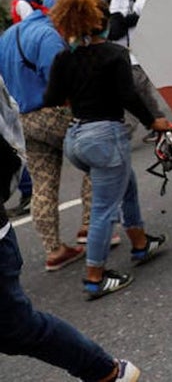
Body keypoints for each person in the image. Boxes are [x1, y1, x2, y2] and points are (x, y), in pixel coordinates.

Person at [43, 0, 170, 300]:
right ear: (100, 20)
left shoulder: (64, 57)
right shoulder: (114, 53)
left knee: (125, 184)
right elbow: (128, 96)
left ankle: (140, 244)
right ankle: (94, 277)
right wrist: (154, 121)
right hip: (105, 135)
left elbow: (53, 98)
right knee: (103, 209)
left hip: (77, 137)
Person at [0, 107, 142, 380]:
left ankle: (106, 371)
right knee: (97, 171)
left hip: (32, 121)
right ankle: (87, 237)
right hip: (63, 117)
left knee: (16, 328)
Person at [0, 0, 98, 273]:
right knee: (97, 160)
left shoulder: (8, 36)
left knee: (43, 183)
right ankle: (90, 227)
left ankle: (53, 250)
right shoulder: (48, 36)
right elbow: (61, 79)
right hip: (52, 112)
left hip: (23, 120)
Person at [101, 0, 172, 142]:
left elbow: (156, 21)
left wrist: (137, 21)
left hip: (135, 56)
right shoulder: (111, 1)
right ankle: (159, 124)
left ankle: (125, 135)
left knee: (134, 93)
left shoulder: (137, 0)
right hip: (117, 56)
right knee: (141, 95)